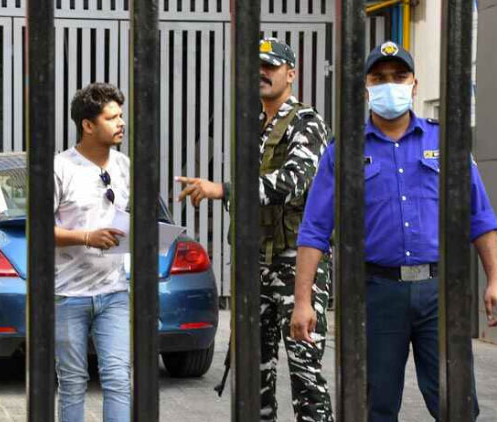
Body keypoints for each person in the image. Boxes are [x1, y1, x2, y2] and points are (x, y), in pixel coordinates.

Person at [290, 41, 497, 422]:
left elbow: (480, 216)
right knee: (376, 405)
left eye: (399, 77)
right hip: (377, 294)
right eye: (380, 78)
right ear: (366, 88)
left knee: (455, 403)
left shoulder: (446, 142)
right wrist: (302, 300)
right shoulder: (344, 151)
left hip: (439, 293)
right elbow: (315, 228)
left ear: (414, 85)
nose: (390, 85)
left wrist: (494, 279)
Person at [177, 38, 333, 422]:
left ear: (291, 74)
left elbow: (294, 182)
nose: (262, 72)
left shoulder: (307, 122)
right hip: (256, 262)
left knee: (306, 374)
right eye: (257, 66)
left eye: (271, 66)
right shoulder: (255, 124)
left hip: (296, 263)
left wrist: (224, 190)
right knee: (253, 374)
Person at [53, 82, 130, 422]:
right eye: (111, 118)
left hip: (114, 291)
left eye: (121, 116)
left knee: (118, 377)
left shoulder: (124, 166)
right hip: (67, 294)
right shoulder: (60, 168)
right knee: (72, 383)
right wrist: (87, 237)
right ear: (87, 124)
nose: (121, 123)